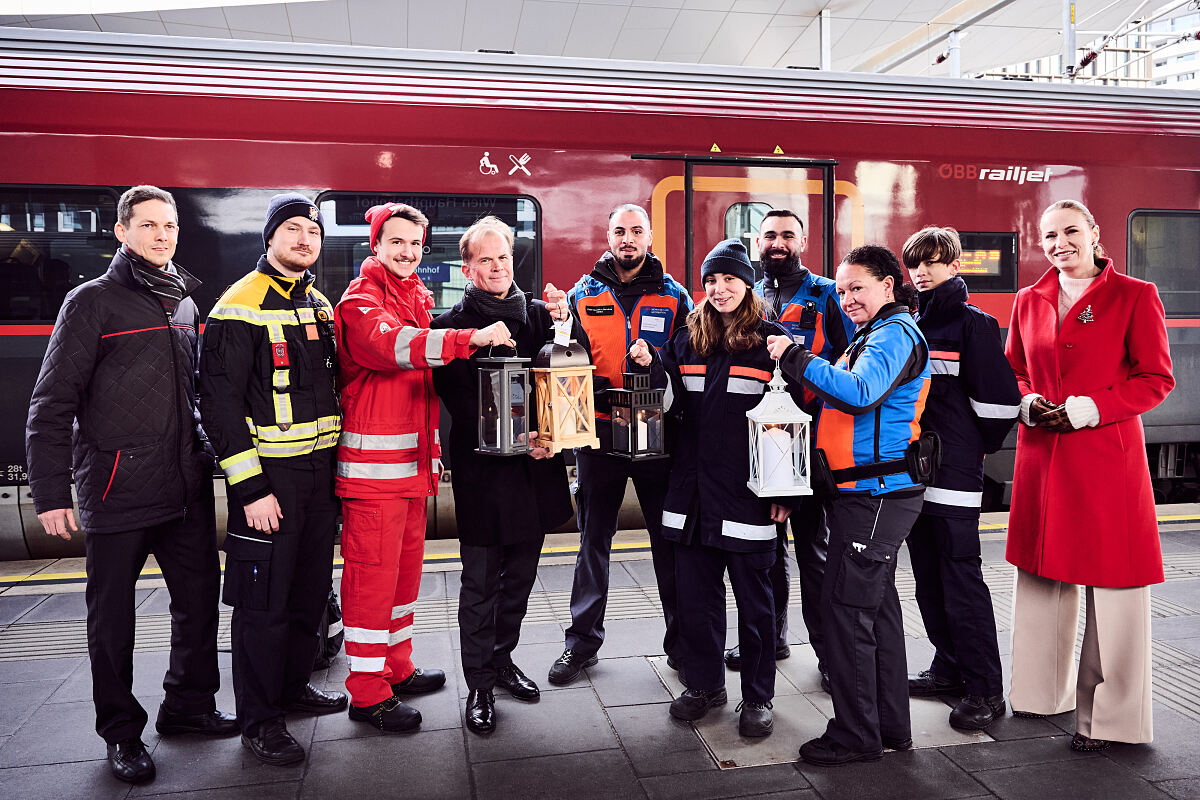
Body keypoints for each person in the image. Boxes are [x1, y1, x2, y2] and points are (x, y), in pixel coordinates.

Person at [26, 185, 236, 785]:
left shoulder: (184, 305)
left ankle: (189, 706)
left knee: (198, 604)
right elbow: (51, 403)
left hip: (183, 487)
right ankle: (120, 732)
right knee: (111, 618)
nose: (162, 235)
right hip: (116, 488)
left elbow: (193, 395)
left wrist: (205, 452)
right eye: (148, 225)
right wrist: (51, 495)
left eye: (169, 226)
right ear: (122, 231)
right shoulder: (91, 303)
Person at [334, 203, 513, 732]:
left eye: (415, 243)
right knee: (371, 580)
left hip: (411, 470)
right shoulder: (361, 301)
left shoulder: (415, 297)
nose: (408, 252)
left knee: (403, 577)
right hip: (374, 473)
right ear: (376, 245)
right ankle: (366, 693)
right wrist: (469, 339)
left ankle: (396, 666)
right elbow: (394, 347)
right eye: (397, 242)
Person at [1005, 200, 1173, 751]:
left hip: (1106, 456)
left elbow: (1155, 379)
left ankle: (1111, 718)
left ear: (1095, 234)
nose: (1059, 244)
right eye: (1049, 235)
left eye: (1071, 232)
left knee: (1116, 588)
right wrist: (1028, 403)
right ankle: (1036, 693)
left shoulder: (1135, 296)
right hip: (1043, 455)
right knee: (1040, 577)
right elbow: (1016, 370)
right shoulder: (1028, 300)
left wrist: (1090, 408)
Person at [769, 244, 930, 766]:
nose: (847, 298)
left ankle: (856, 736)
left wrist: (796, 358)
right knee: (874, 612)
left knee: (845, 613)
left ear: (888, 283)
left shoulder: (894, 334)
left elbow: (861, 393)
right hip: (865, 493)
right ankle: (888, 727)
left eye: (856, 287)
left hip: (877, 496)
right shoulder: (873, 334)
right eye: (840, 290)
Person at [200, 193, 346, 766]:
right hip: (270, 483)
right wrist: (251, 488)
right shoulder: (238, 306)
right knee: (261, 604)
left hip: (318, 478)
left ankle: (291, 690)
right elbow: (218, 405)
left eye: (313, 230)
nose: (305, 239)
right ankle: (260, 722)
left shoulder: (319, 304)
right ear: (269, 238)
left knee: (307, 595)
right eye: (292, 229)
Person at [635, 238, 797, 738]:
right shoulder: (685, 340)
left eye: (729, 279)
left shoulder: (772, 342)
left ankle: (758, 698)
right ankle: (705, 686)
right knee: (696, 601)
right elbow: (666, 407)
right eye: (711, 281)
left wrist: (784, 492)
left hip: (747, 497)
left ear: (747, 284)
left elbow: (790, 421)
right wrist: (648, 368)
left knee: (756, 606)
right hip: (691, 498)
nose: (719, 289)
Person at [432, 216, 574, 733]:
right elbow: (461, 400)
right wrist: (524, 440)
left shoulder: (540, 317)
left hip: (535, 473)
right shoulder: (451, 325)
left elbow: (562, 381)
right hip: (485, 476)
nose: (497, 267)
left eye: (504, 258)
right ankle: (478, 685)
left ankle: (502, 658)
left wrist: (550, 435)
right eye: (486, 259)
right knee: (479, 585)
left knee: (521, 580)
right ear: (467, 268)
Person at [547, 203, 693, 685]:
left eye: (636, 231)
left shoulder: (677, 298)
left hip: (658, 435)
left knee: (667, 541)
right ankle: (581, 643)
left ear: (650, 238)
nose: (627, 239)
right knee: (593, 541)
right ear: (606, 237)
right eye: (618, 231)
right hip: (601, 436)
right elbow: (566, 360)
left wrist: (658, 364)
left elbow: (690, 364)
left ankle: (683, 644)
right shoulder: (582, 295)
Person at [725, 209, 855, 689]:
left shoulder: (827, 294)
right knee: (767, 547)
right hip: (762, 441)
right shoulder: (749, 294)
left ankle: (827, 652)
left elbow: (848, 360)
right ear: (757, 241)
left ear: (803, 240)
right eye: (769, 235)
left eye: (787, 235)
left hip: (812, 439)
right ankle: (774, 636)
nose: (777, 243)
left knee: (814, 552)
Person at [900, 226, 1020, 730]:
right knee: (927, 574)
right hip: (914, 472)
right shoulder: (907, 321)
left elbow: (1000, 404)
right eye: (916, 263)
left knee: (960, 577)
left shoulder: (974, 325)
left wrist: (969, 450)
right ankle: (948, 666)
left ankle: (986, 690)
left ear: (954, 267)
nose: (923, 272)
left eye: (933, 262)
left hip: (952, 471)